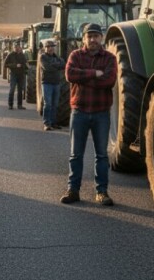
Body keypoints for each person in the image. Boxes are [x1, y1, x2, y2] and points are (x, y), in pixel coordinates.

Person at [61, 23, 117, 206]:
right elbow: (70, 75)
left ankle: (101, 192)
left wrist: (84, 78)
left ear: (101, 38)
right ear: (83, 38)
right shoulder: (75, 55)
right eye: (89, 36)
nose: (92, 39)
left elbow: (109, 80)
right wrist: (95, 73)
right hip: (80, 112)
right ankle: (73, 190)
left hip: (101, 113)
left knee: (101, 155)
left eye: (96, 36)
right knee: (76, 154)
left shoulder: (109, 58)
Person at [38, 40, 64, 131]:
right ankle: (46, 123)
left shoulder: (57, 57)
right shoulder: (43, 57)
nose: (50, 48)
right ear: (45, 48)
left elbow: (63, 65)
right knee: (48, 104)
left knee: (55, 104)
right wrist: (57, 65)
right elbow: (47, 68)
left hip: (56, 83)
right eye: (48, 47)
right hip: (47, 83)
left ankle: (53, 123)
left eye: (52, 46)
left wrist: (54, 65)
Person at [4, 42, 28, 109]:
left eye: (18, 47)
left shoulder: (22, 55)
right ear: (13, 48)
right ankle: (10, 105)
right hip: (13, 74)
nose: (17, 49)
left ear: (20, 48)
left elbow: (25, 64)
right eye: (16, 47)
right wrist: (15, 65)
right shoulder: (10, 55)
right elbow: (5, 64)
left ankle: (19, 105)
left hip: (21, 75)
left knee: (20, 90)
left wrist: (25, 66)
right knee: (12, 89)